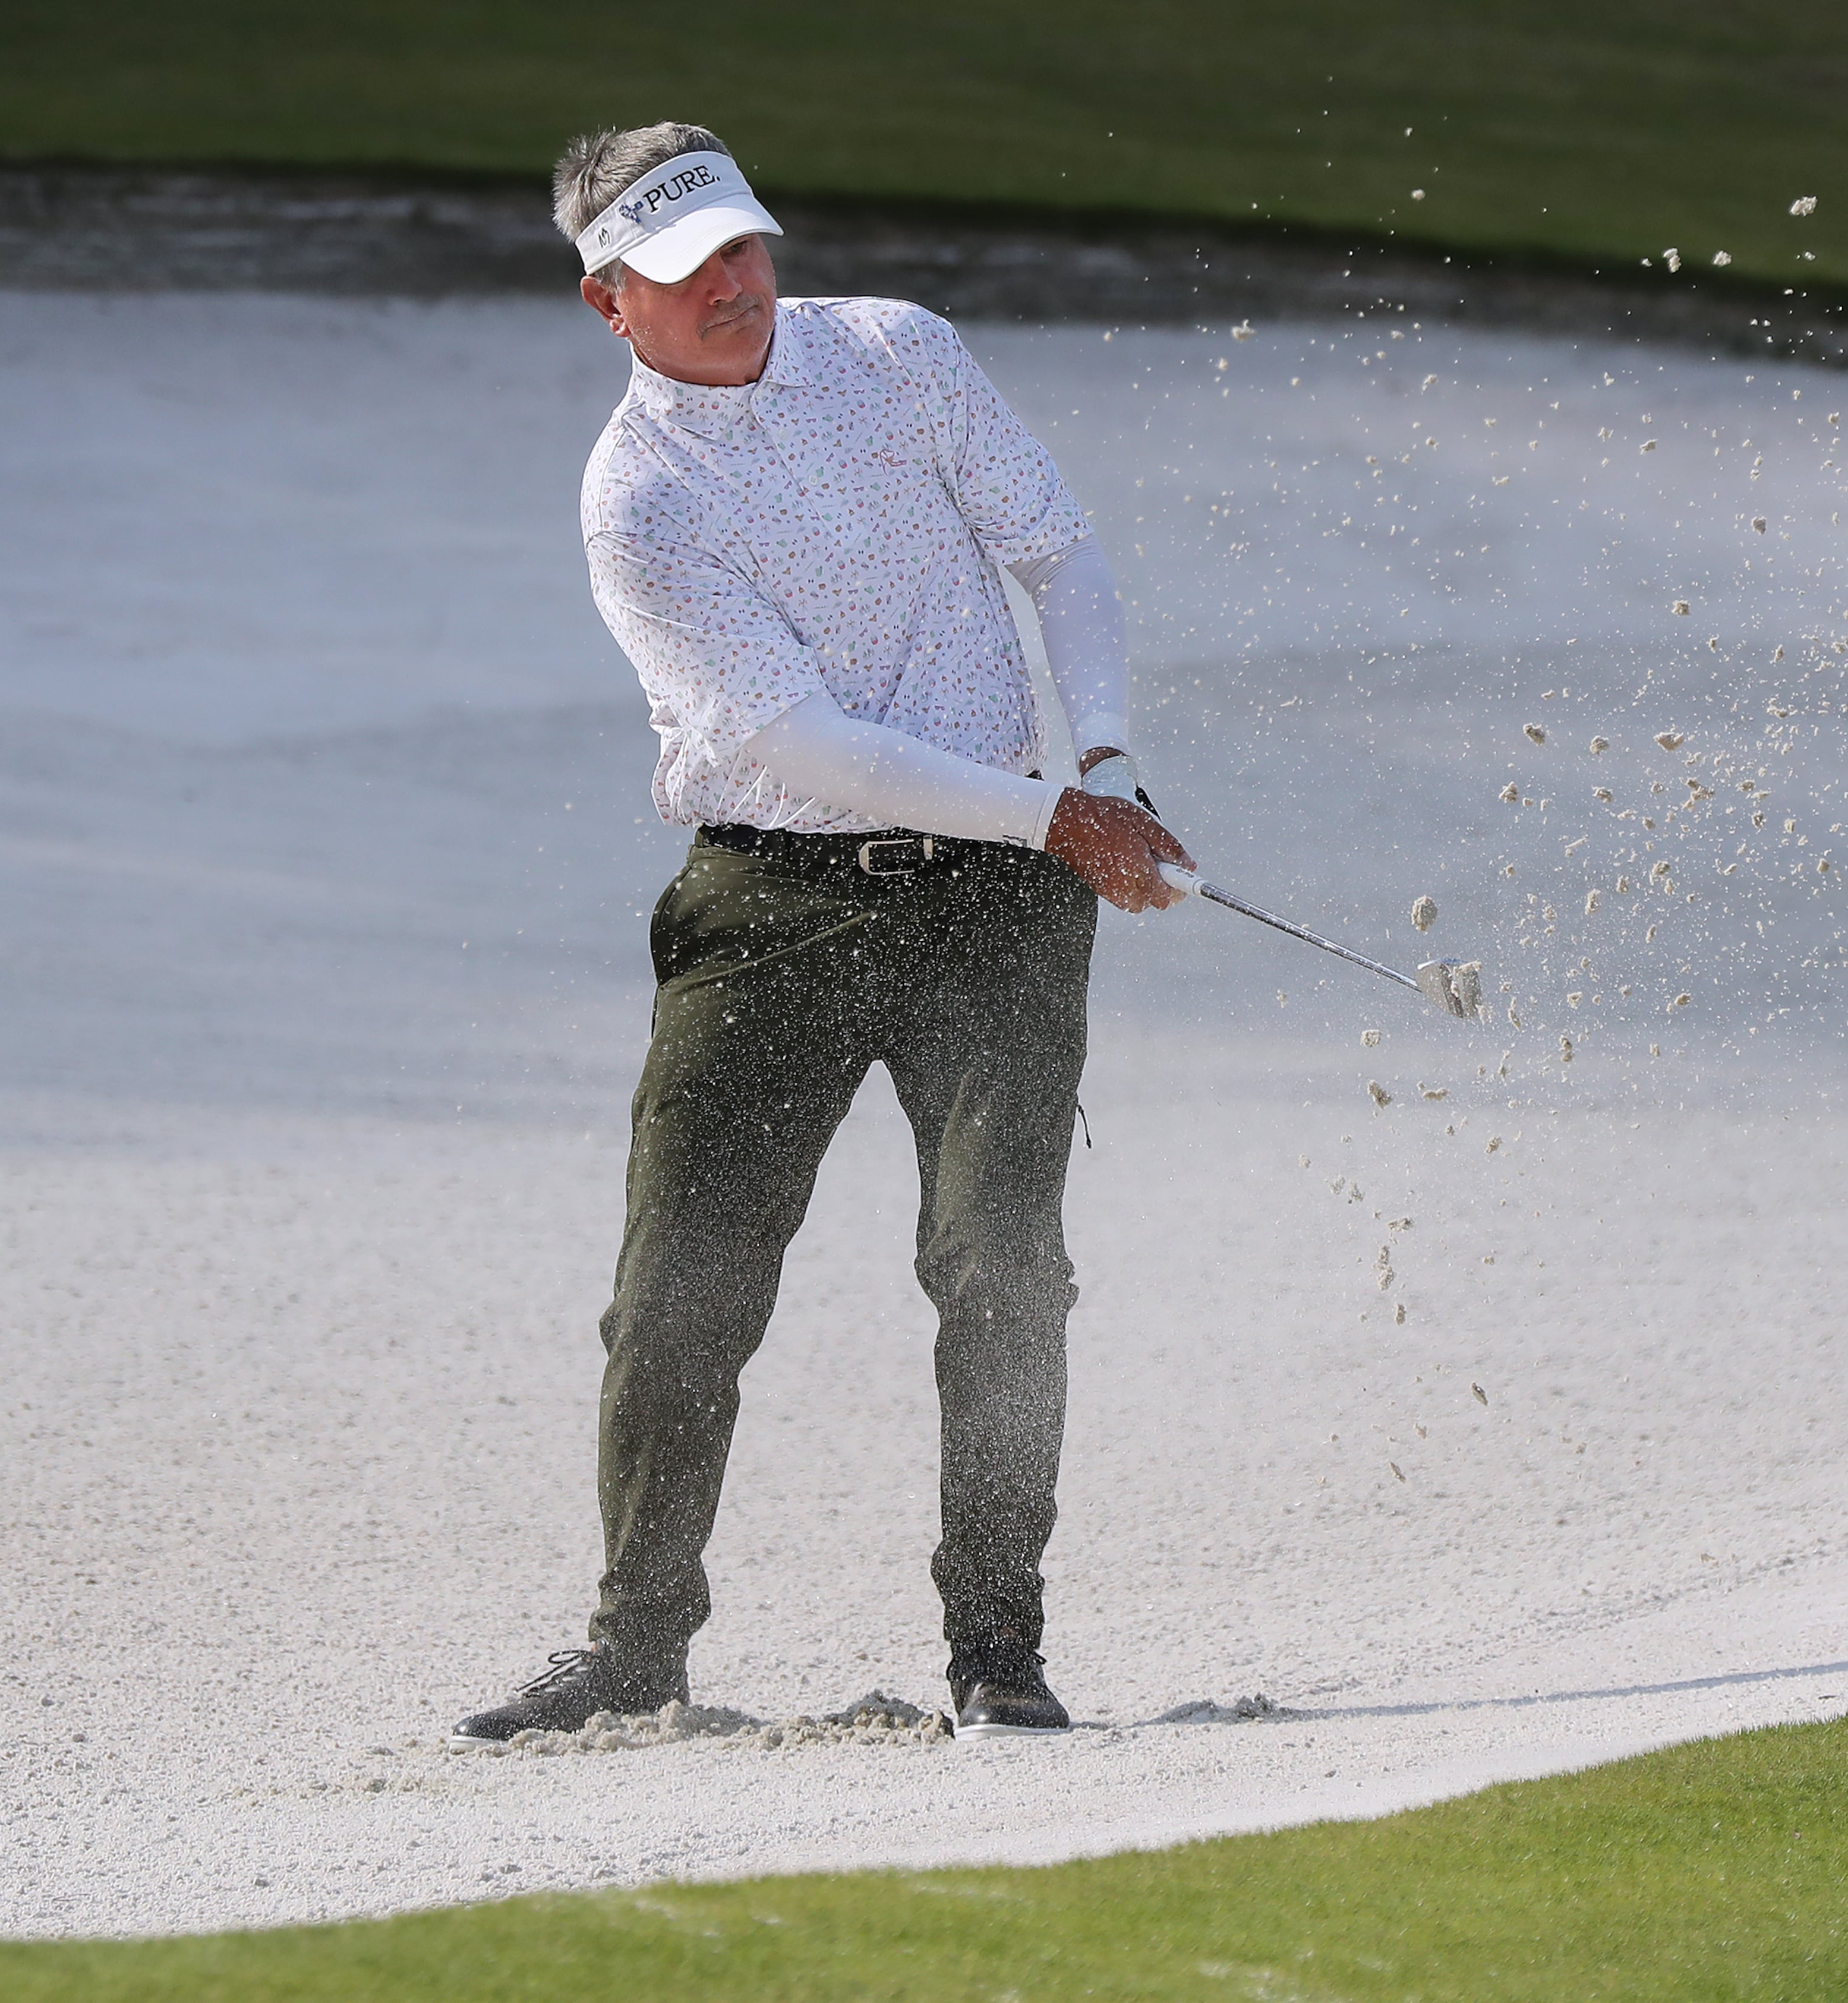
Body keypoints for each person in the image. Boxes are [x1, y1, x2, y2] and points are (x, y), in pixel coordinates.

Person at [451, 122, 1191, 1747]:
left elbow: (1056, 553)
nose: (730, 285)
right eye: (680, 271)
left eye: (739, 245)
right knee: (678, 1292)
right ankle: (637, 1647)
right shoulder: (638, 501)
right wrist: (1067, 818)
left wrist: (1111, 761)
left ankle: (1001, 1647)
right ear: (608, 307)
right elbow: (803, 744)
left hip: (1000, 901)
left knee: (1004, 1265)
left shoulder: (895, 355)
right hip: (773, 900)